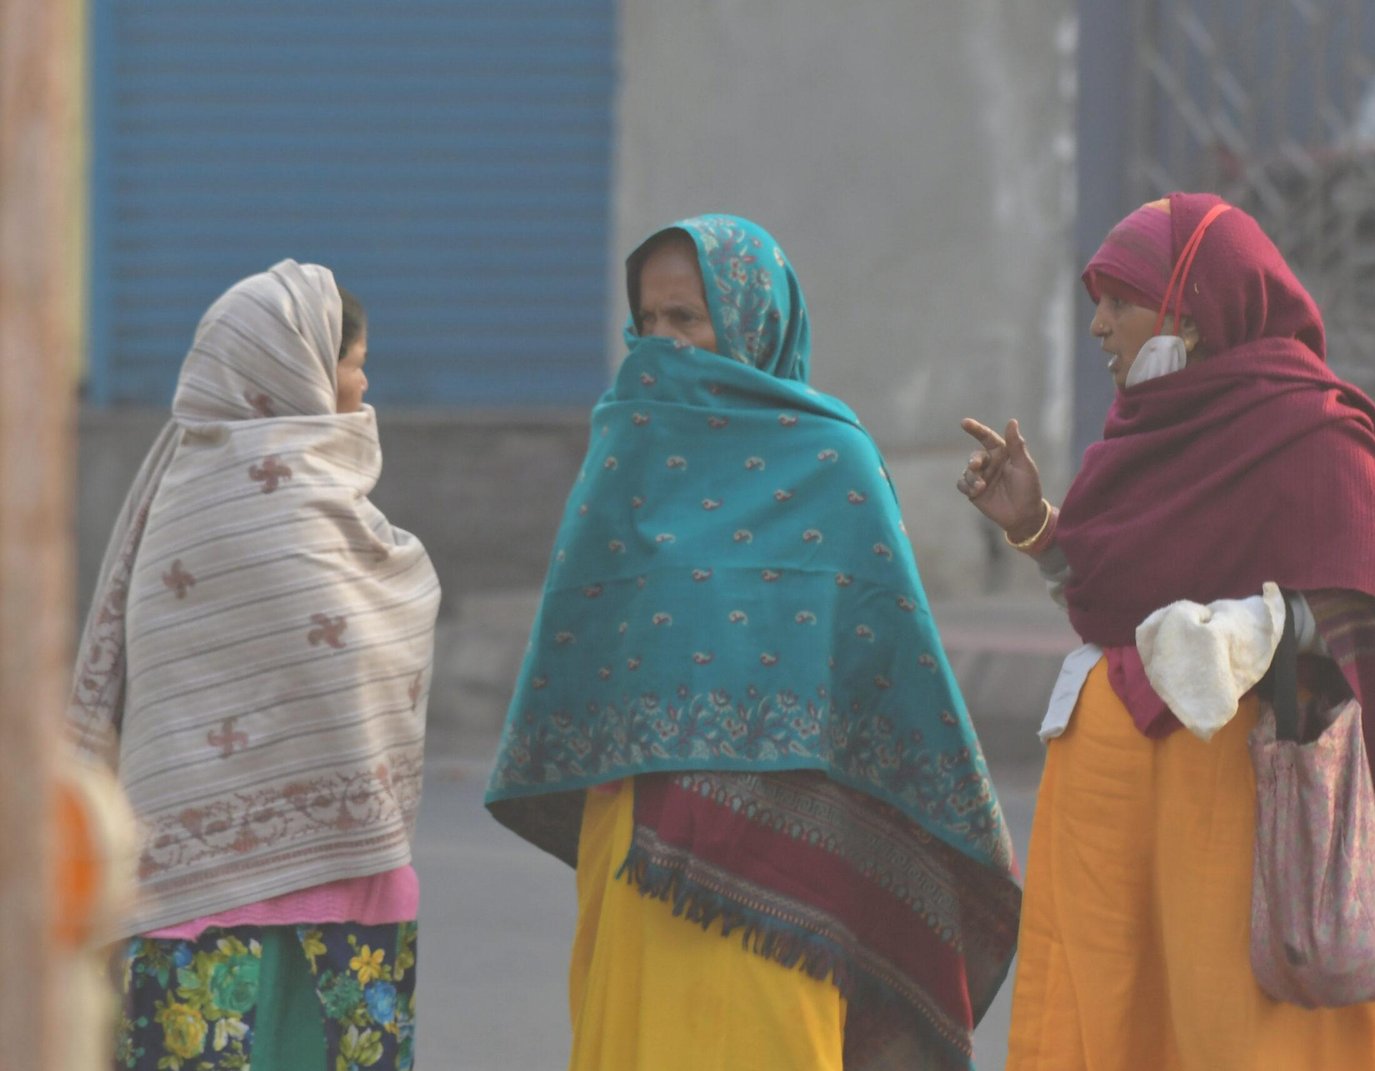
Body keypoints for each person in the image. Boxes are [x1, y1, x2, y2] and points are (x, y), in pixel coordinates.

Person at [958, 194, 1375, 1070]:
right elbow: (1114, 607)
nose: (1097, 326)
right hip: (1106, 815)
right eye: (1098, 302)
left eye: (1121, 300)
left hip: (1240, 812)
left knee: (1249, 1037)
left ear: (1192, 313)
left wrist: (1262, 624)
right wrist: (1039, 530)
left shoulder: (1314, 430)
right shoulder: (1133, 442)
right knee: (1107, 1025)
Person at [487, 214, 1021, 1071]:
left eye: (687, 320)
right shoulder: (627, 447)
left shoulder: (832, 461)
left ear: (751, 325)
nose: (663, 345)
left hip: (789, 882)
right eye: (648, 322)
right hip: (638, 854)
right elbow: (579, 648)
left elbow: (891, 670)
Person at [67, 261, 440, 1071]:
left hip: (239, 896)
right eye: (353, 361)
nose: (364, 381)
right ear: (294, 365)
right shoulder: (242, 504)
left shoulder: (182, 491)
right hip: (244, 900)